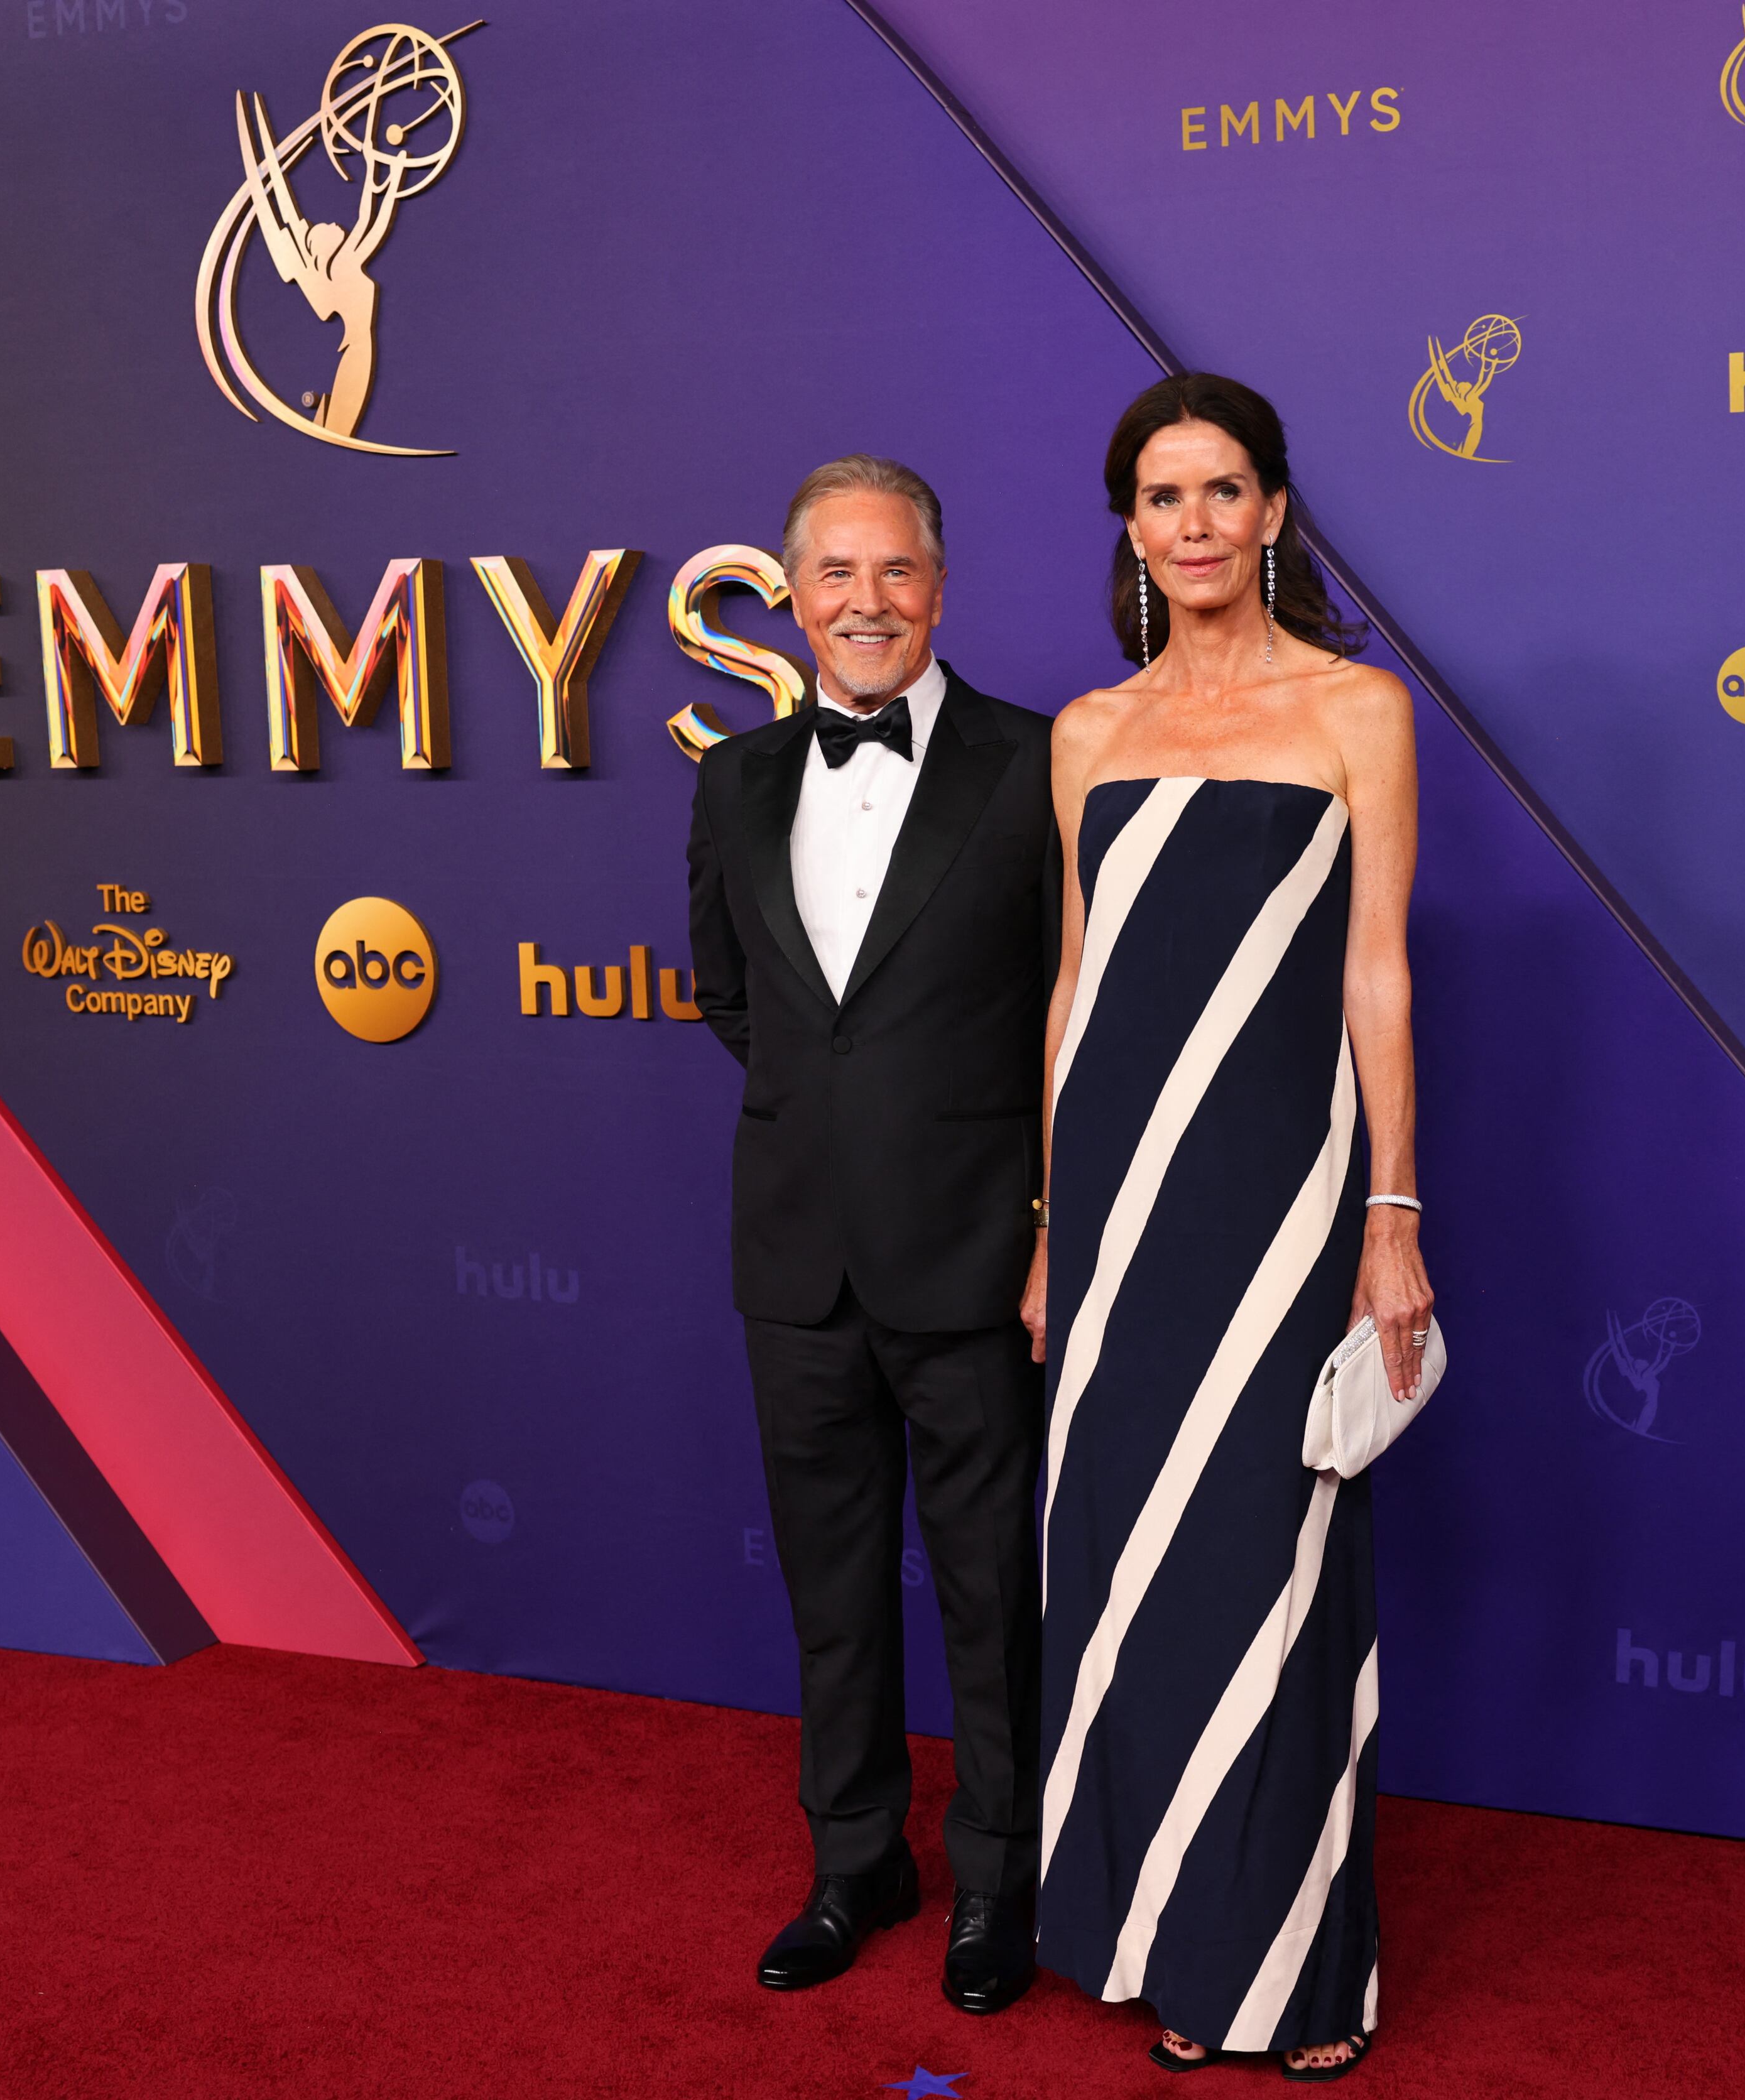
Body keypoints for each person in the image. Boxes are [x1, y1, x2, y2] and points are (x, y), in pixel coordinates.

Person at [1028, 376, 1433, 2082]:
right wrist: (1055, 1230)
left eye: (1223, 490)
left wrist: (1392, 1215)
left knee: (1270, 1566)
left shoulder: (1359, 711)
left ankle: (1293, 1968)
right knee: (1136, 1573)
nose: (1192, 523)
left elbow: (1377, 971)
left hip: (1281, 1199)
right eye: (1160, 495)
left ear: (1274, 511)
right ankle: (1167, 1944)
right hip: (1121, 1214)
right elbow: (1074, 985)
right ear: (1130, 523)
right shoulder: (1087, 732)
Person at [685, 456, 1061, 2015]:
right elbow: (733, 999)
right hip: (795, 1255)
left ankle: (997, 1879)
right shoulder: (735, 776)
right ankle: (855, 1862)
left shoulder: (1040, 762)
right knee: (831, 1589)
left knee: (990, 1587)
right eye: (833, 574)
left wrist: (1030, 1209)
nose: (865, 603)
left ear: (940, 585)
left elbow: (1072, 1006)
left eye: (894, 571)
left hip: (976, 1252)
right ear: (794, 595)